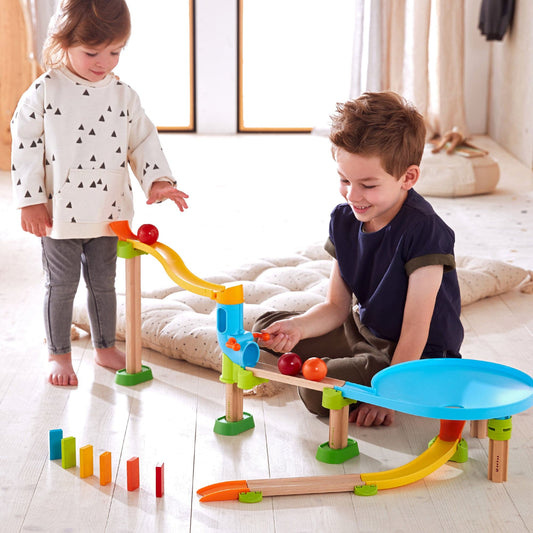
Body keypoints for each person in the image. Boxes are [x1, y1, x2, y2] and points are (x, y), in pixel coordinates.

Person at [254, 91, 463, 427]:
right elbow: (336, 307)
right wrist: (298, 327)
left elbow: (416, 329)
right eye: (344, 180)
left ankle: (373, 374)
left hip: (416, 355)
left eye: (368, 185)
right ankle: (355, 363)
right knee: (267, 327)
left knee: (315, 393)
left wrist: (389, 395)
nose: (353, 195)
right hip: (361, 330)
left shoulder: (425, 231)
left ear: (408, 178)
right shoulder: (344, 220)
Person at [11, 0, 189, 386]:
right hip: (59, 214)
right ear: (64, 42)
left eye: (115, 52)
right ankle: (58, 353)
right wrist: (31, 200)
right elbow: (25, 145)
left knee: (104, 284)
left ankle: (105, 346)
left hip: (110, 211)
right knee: (61, 285)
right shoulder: (45, 90)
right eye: (92, 53)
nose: (104, 62)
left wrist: (159, 181)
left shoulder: (124, 95)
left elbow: (143, 140)